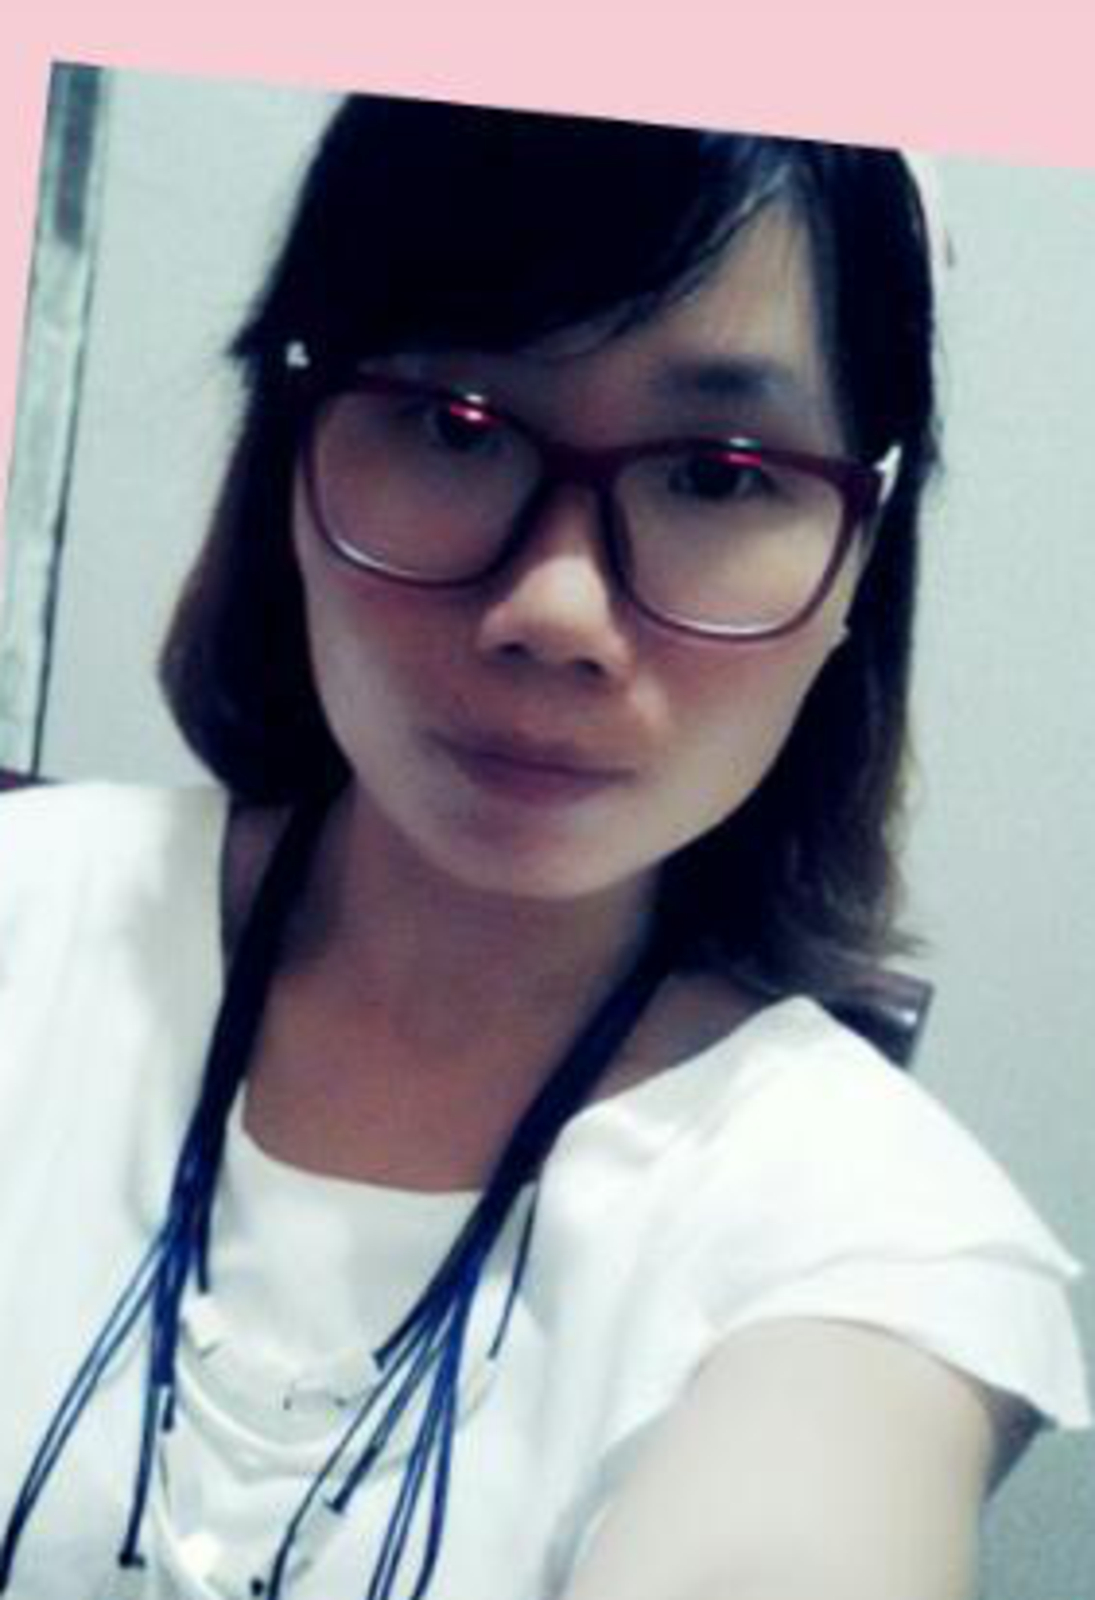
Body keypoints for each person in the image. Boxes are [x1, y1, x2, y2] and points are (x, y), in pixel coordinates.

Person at [0, 93, 1088, 1600]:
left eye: (718, 472)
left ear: (861, 557)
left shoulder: (879, 1242)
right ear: (290, 444)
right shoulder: (30, 917)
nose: (557, 612)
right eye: (453, 426)